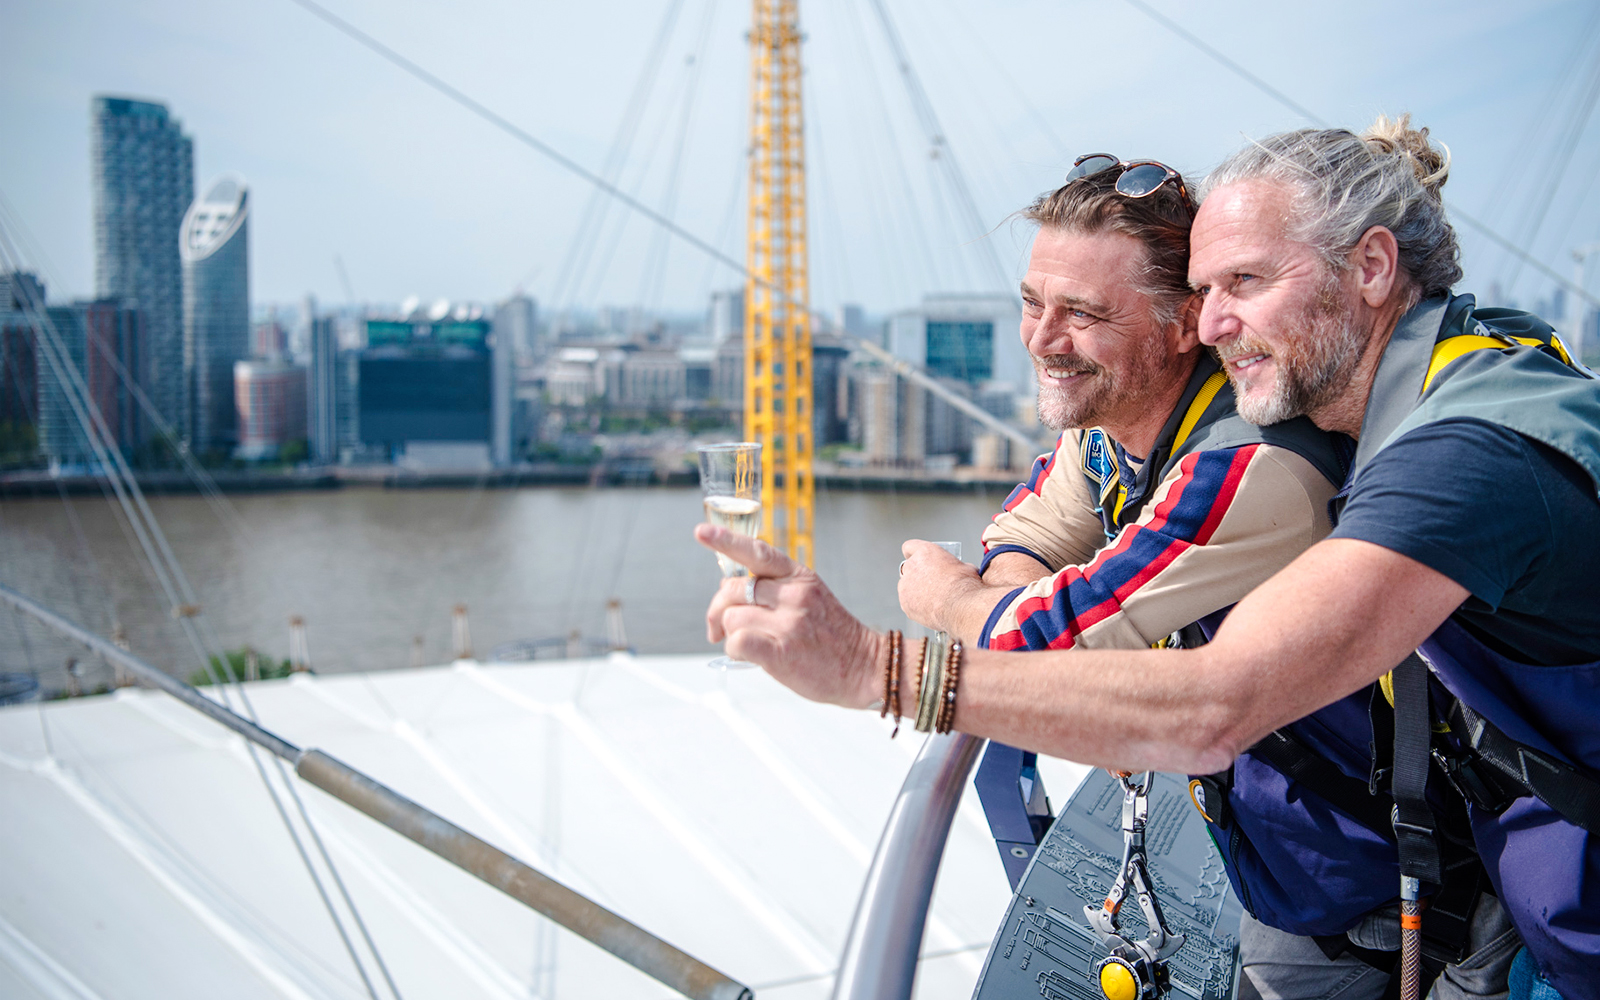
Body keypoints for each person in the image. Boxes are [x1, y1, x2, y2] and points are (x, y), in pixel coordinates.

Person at [698, 115, 1600, 999]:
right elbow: (1034, 528)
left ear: (1371, 268)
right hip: (1490, 893)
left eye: (1244, 282)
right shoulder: (1410, 394)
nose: (1213, 326)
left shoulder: (1457, 451)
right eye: (1206, 289)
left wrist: (873, 666)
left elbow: (1215, 704)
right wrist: (1012, 605)